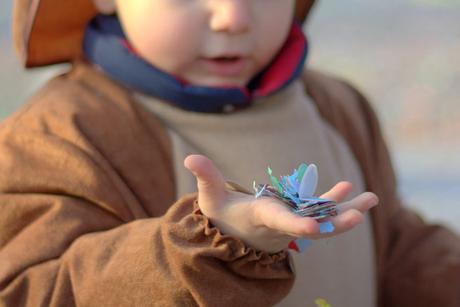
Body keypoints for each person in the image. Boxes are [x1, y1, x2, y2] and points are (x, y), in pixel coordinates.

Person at [0, 0, 458, 306]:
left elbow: (394, 248)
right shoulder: (58, 135)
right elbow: (31, 290)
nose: (232, 18)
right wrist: (210, 243)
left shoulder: (338, 107)